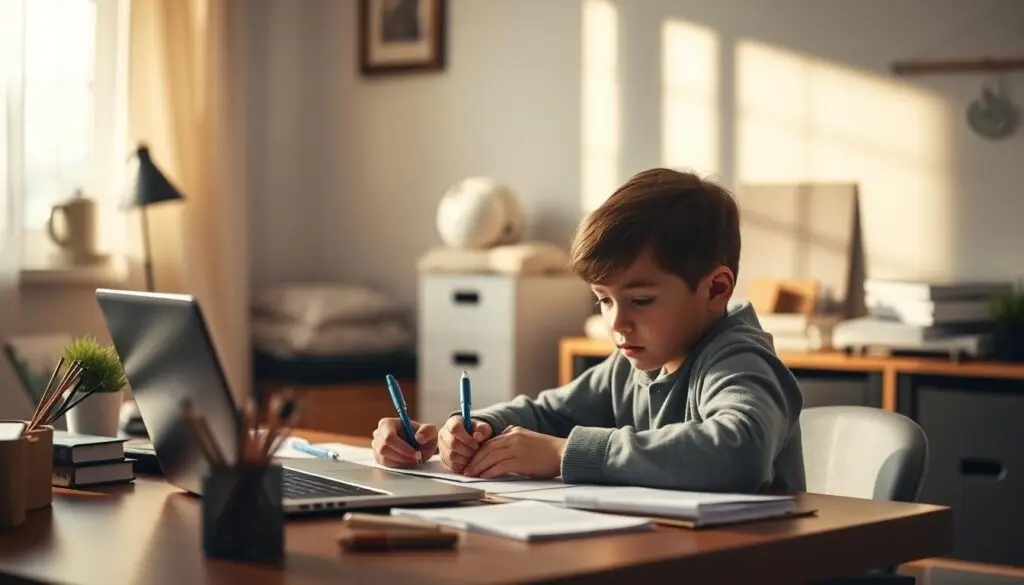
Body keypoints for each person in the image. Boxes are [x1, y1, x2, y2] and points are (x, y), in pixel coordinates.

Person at [371, 168, 806, 493]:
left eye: (640, 300)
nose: (615, 322)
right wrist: (472, 429)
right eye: (603, 299)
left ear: (715, 288)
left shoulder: (739, 359)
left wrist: (563, 454)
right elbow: (547, 414)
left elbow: (738, 451)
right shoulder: (633, 365)